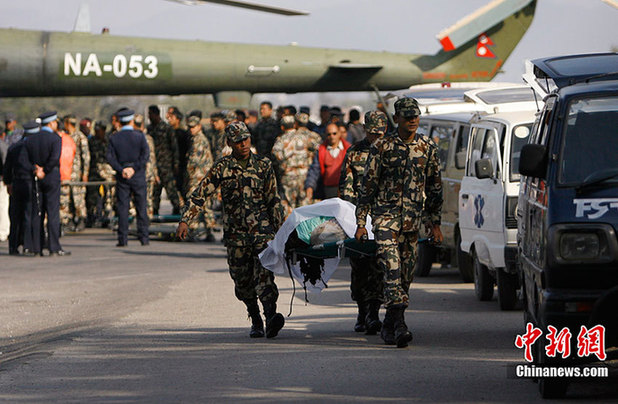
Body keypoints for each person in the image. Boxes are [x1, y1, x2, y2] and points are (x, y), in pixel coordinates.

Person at [176, 121, 285, 339]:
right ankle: (254, 318)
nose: (243, 144)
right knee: (242, 282)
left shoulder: (263, 165)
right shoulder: (222, 167)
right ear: (229, 143)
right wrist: (185, 220)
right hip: (236, 236)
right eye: (238, 141)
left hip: (262, 234)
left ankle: (271, 317)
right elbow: (200, 194)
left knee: (264, 277)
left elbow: (274, 200)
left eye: (246, 139)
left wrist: (281, 232)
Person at [355, 98, 443, 348]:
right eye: (407, 116)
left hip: (412, 222)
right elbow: (367, 187)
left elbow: (435, 187)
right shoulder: (382, 147)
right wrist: (361, 222)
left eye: (415, 115)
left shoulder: (427, 147)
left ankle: (391, 322)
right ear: (397, 119)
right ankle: (400, 326)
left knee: (405, 276)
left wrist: (434, 223)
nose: (412, 120)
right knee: (391, 268)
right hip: (385, 219)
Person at [338, 111, 388, 334]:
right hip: (358, 217)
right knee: (360, 267)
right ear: (365, 130)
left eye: (380, 132)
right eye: (372, 133)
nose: (376, 136)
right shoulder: (354, 153)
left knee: (378, 266)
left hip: (384, 218)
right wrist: (352, 218)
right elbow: (347, 186)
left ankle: (373, 314)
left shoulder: (391, 151)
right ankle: (361, 311)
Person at [25, 111, 70, 256]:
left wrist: (36, 169)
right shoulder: (55, 139)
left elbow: (27, 159)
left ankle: (37, 247)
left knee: (37, 213)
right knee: (52, 213)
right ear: (51, 123)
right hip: (51, 177)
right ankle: (54, 246)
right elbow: (55, 157)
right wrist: (46, 170)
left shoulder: (31, 139)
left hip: (36, 177)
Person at [107, 108, 150, 247]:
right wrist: (134, 168)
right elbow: (145, 156)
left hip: (122, 176)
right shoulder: (140, 136)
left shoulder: (114, 137)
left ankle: (122, 239)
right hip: (137, 175)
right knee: (141, 207)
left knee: (123, 208)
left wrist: (122, 169)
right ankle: (144, 237)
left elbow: (110, 158)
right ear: (132, 121)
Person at [271, 114, 321, 211]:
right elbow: (318, 148)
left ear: (282, 127)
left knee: (289, 206)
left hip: (288, 177)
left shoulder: (280, 140)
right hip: (304, 177)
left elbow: (275, 156)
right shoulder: (305, 138)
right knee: (305, 207)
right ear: (294, 125)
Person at [3, 121, 39, 255]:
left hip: (16, 183)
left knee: (15, 215)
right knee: (29, 214)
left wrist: (8, 183)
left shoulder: (14, 147)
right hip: (30, 182)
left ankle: (13, 246)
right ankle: (28, 244)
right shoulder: (34, 147)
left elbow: (7, 167)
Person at [184, 115, 216, 241]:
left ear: (199, 126)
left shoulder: (198, 141)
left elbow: (193, 162)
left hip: (198, 177)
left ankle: (193, 229)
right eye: (190, 127)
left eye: (193, 127)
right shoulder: (199, 139)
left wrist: (189, 176)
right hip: (204, 177)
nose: (191, 129)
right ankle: (209, 229)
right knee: (205, 203)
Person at [147, 105, 181, 215]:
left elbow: (174, 147)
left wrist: (176, 164)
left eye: (151, 114)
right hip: (154, 165)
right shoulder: (149, 129)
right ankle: (155, 210)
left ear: (156, 114)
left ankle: (177, 210)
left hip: (166, 165)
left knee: (171, 190)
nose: (149, 117)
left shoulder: (167, 128)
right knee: (155, 191)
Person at [304, 122, 351, 201]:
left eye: (334, 133)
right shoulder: (322, 151)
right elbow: (315, 169)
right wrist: (310, 186)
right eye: (329, 134)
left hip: (345, 189)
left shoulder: (348, 149)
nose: (332, 137)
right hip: (328, 190)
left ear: (339, 133)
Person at [64, 114, 90, 231]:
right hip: (65, 172)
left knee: (78, 197)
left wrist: (85, 173)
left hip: (76, 172)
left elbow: (86, 157)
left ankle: (81, 218)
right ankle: (68, 219)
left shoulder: (80, 137)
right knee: (66, 198)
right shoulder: (64, 136)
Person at [135, 114, 159, 219]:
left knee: (146, 198)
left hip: (144, 173)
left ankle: (146, 219)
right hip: (143, 173)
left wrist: (155, 173)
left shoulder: (144, 138)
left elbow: (152, 157)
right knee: (145, 198)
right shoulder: (147, 138)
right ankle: (145, 218)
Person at [167, 106, 189, 199]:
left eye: (171, 117)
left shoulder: (182, 133)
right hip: (170, 165)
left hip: (181, 165)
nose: (169, 119)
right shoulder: (169, 132)